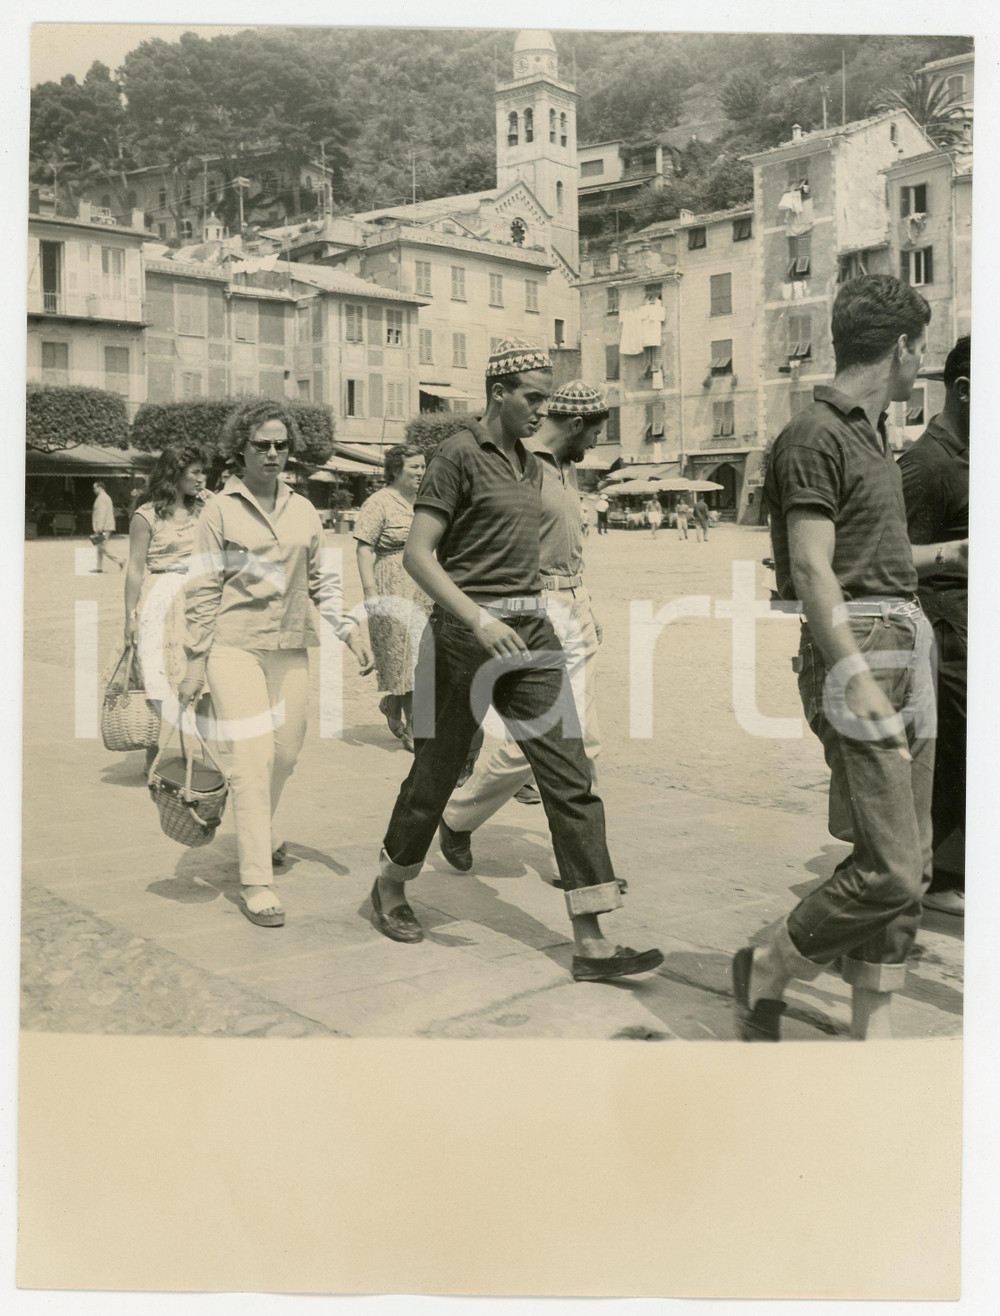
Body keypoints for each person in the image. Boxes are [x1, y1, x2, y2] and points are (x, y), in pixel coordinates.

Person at [372, 340, 662, 983]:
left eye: (546, 398)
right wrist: (479, 617)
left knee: (571, 774)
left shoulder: (534, 466)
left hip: (533, 633)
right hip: (462, 636)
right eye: (532, 397)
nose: (541, 409)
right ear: (498, 393)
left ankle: (592, 941)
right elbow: (419, 555)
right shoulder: (456, 454)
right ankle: (390, 884)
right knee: (436, 772)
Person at [733, 274, 933, 1041]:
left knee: (906, 860)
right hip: (863, 653)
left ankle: (871, 1032)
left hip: (905, 641)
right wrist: (853, 673)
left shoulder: (870, 434)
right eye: (921, 349)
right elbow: (814, 569)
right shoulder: (813, 435)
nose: (923, 363)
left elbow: (872, 557)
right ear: (902, 348)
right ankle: (771, 961)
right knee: (891, 866)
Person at [177, 399, 374, 929]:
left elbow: (322, 580)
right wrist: (194, 661)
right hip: (233, 646)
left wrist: (350, 632)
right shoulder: (219, 510)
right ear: (239, 449)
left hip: (289, 644)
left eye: (280, 445)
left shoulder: (304, 509)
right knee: (253, 758)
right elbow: (203, 588)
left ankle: (256, 826)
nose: (271, 453)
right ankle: (256, 881)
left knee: (285, 754)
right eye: (261, 444)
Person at [440, 381, 608, 873]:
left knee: (585, 740)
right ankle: (456, 816)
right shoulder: (520, 462)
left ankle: (581, 863)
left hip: (575, 602)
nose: (596, 444)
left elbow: (566, 539)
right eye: (595, 434)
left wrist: (585, 600)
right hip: (538, 605)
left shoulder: (566, 467)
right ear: (576, 425)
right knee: (537, 743)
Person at [899, 335, 970, 918]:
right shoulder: (925, 465)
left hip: (968, 625)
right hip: (944, 632)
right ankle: (941, 873)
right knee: (956, 750)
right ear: (965, 390)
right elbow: (889, 556)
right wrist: (958, 554)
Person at [122, 442, 208, 771]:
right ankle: (153, 753)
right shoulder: (146, 515)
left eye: (203, 472)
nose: (202, 478)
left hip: (199, 598)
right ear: (175, 473)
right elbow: (134, 568)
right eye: (195, 472)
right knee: (159, 679)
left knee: (201, 679)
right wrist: (130, 616)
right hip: (160, 601)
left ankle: (193, 756)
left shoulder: (206, 508)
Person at [354, 444, 432, 752]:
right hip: (392, 584)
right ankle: (413, 728)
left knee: (421, 655)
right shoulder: (379, 502)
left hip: (424, 585)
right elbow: (363, 548)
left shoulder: (426, 501)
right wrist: (369, 591)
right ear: (396, 470)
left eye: (423, 466)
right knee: (405, 656)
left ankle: (392, 704)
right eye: (414, 467)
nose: (421, 472)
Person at [91, 481, 124, 572]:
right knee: (99, 546)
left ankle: (120, 560)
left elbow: (102, 513)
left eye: (94, 488)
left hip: (104, 526)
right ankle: (99, 567)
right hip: (105, 525)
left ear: (99, 487)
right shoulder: (104, 497)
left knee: (103, 547)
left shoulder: (102, 498)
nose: (94, 490)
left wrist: (99, 527)